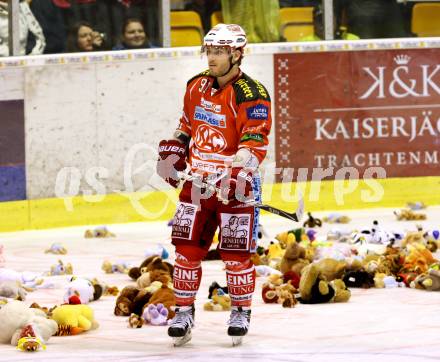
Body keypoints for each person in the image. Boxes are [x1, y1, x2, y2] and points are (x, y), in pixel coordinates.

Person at [156, 23, 272, 346]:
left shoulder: (252, 94)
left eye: (220, 51)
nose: (213, 57)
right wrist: (175, 150)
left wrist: (238, 175)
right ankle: (183, 311)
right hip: (197, 184)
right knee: (186, 251)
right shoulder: (195, 86)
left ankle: (240, 311)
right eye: (210, 50)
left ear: (237, 54)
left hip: (236, 186)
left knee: (235, 255)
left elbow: (254, 141)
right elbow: (186, 125)